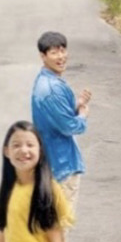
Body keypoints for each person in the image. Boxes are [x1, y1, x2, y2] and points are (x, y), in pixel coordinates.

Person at [31, 31, 91, 217]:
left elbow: (55, 116)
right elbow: (68, 126)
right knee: (60, 225)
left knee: (50, 223)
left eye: (63, 51)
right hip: (61, 166)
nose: (61, 57)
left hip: (50, 165)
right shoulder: (53, 89)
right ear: (43, 56)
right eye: (54, 53)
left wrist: (75, 105)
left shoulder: (45, 81)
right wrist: (82, 116)